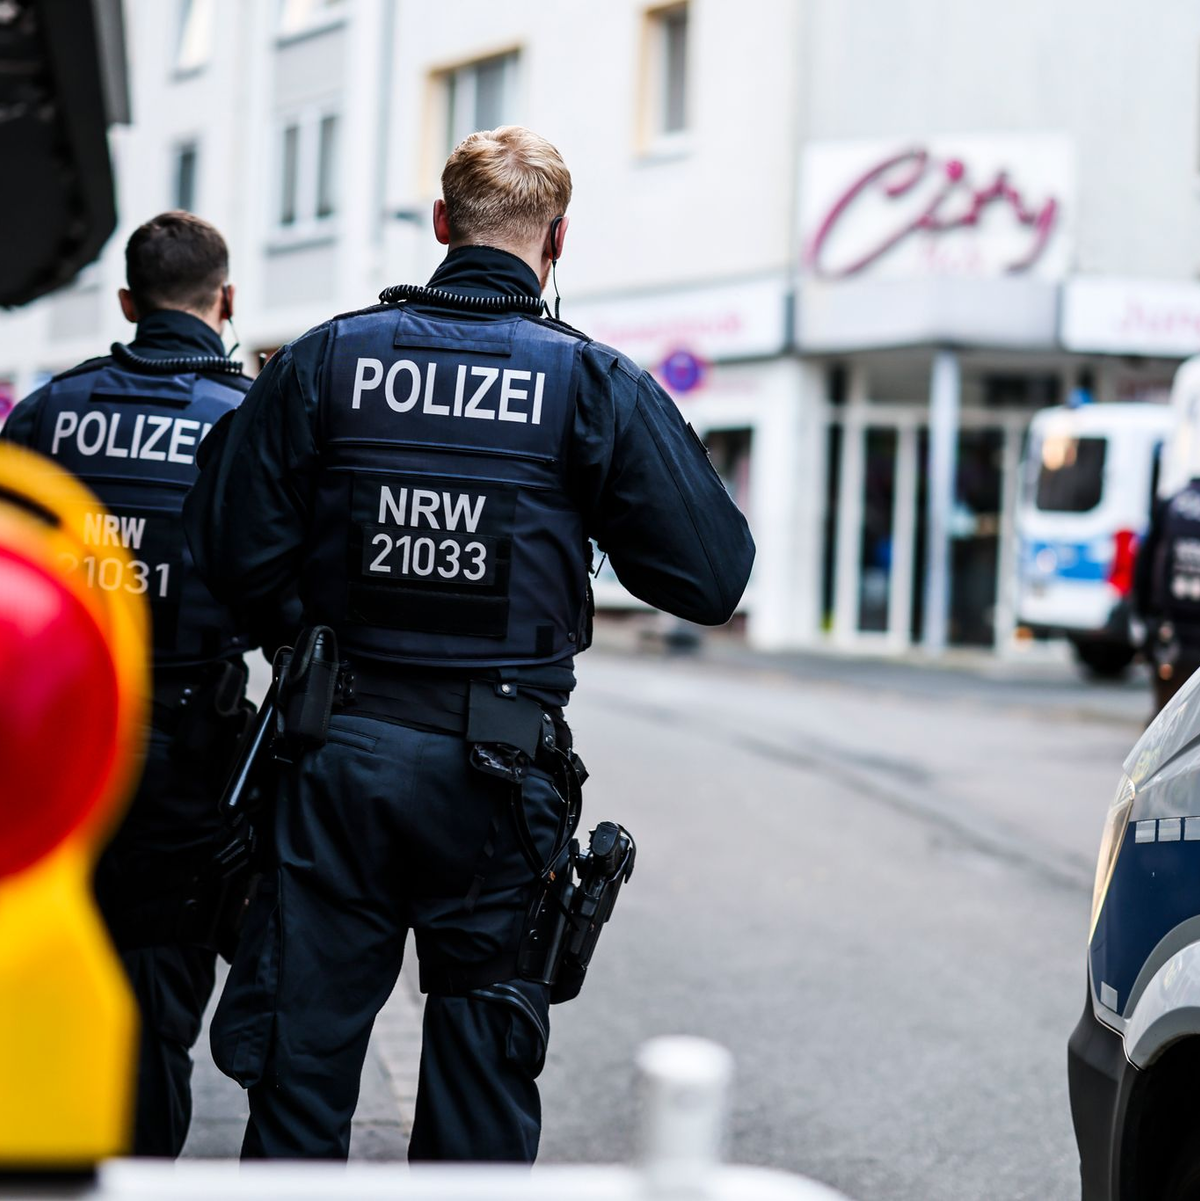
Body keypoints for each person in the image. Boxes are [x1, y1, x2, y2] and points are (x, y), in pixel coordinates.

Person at [183, 125, 755, 1162]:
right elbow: (711, 578)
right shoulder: (591, 384)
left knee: (300, 1082)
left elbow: (226, 543)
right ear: (558, 241)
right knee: (478, 1103)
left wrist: (308, 644)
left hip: (334, 759)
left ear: (442, 225)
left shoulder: (325, 357)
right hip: (498, 781)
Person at [0, 211, 257, 1156]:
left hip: (42, 745)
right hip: (188, 762)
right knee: (154, 1014)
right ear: (223, 302)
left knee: (29, 971)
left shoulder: (46, 411)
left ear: (125, 301)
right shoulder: (244, 419)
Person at [1134, 477, 1200, 715]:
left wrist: (1144, 616)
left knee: (1166, 720)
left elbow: (1144, 564)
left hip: (1169, 632)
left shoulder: (1173, 503)